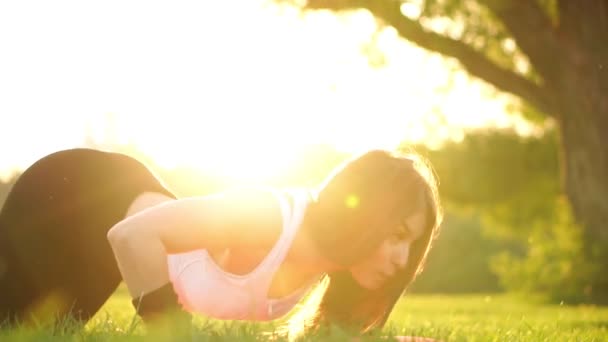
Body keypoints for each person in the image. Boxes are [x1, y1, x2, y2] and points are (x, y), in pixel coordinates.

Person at [0, 147, 442, 339]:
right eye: (396, 235)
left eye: (412, 244)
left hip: (103, 241)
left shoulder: (333, 271)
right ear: (366, 215)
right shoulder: (266, 218)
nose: (401, 259)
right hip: (73, 195)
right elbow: (132, 234)